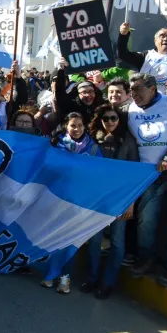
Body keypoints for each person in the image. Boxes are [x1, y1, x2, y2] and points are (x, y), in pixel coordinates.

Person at [81, 104, 138, 299]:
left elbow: (134, 176)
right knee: (95, 242)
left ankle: (108, 283)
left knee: (117, 242)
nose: (110, 122)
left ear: (120, 120)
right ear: (100, 120)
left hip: (121, 200)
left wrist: (130, 203)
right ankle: (92, 278)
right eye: (106, 118)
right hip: (97, 201)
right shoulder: (92, 140)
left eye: (114, 118)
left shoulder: (128, 141)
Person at [43, 112, 99, 294]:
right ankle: (51, 274)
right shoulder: (55, 144)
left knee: (70, 240)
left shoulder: (93, 148)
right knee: (55, 237)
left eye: (80, 125)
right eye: (73, 125)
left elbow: (101, 174)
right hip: (57, 198)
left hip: (80, 202)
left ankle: (64, 277)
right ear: (66, 126)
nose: (77, 129)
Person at [126, 73, 167, 280]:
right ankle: (146, 259)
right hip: (147, 175)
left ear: (153, 89)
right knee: (147, 221)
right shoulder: (130, 109)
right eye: (132, 90)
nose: (134, 94)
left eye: (138, 89)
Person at [118, 23, 167, 93]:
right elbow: (123, 55)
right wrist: (123, 36)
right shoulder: (145, 57)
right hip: (146, 100)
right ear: (155, 41)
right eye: (162, 36)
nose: (166, 39)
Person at [54, 61, 104, 125]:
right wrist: (61, 70)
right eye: (84, 92)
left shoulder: (100, 104)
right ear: (78, 93)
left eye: (91, 91)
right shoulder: (70, 105)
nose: (88, 95)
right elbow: (60, 92)